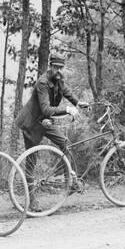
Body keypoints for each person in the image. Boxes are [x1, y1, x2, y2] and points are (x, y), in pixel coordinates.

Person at [15, 53, 89, 211]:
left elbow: (66, 91)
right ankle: (31, 200)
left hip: (45, 121)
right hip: (32, 123)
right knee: (31, 161)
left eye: (61, 68)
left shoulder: (59, 79)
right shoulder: (42, 83)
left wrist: (78, 102)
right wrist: (68, 109)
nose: (59, 71)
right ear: (50, 67)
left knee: (64, 143)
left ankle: (70, 184)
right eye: (56, 67)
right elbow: (46, 109)